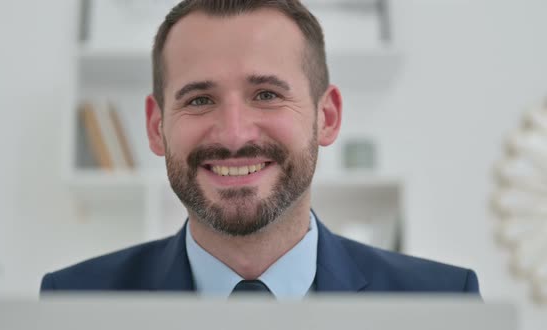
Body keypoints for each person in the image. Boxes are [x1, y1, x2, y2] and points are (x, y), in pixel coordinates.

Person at [41, 0, 479, 298]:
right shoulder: (72, 304)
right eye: (199, 100)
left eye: (267, 94)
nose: (233, 135)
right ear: (156, 127)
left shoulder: (442, 303)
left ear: (326, 117)